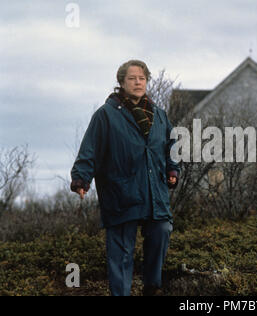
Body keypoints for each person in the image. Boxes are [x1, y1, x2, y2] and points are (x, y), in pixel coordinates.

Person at [70, 59, 180, 296]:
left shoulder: (159, 115)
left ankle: (152, 286)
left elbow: (173, 146)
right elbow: (90, 149)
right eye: (132, 78)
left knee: (161, 229)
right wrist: (81, 179)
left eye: (142, 78)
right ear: (122, 82)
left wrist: (172, 170)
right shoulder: (106, 115)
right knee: (121, 250)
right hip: (121, 191)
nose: (138, 82)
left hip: (154, 191)